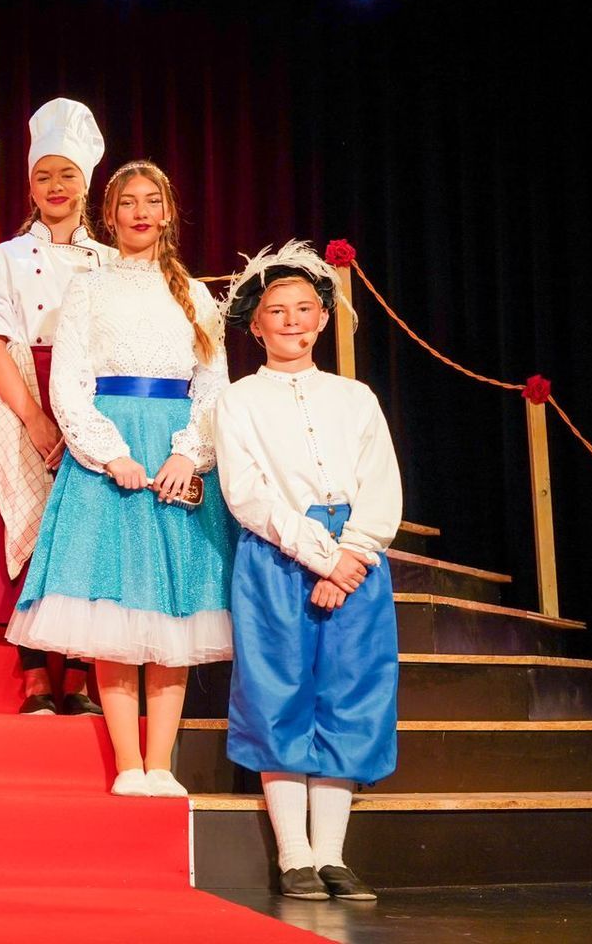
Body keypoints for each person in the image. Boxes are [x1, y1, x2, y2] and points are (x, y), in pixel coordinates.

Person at [8, 160, 236, 797]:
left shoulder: (196, 295)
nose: (140, 212)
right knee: (111, 611)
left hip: (173, 456)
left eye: (151, 200)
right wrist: (111, 454)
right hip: (110, 459)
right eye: (128, 202)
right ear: (108, 216)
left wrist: (189, 454)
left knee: (172, 616)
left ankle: (160, 764)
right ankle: (128, 765)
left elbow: (213, 387)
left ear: (167, 212)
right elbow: (68, 384)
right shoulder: (89, 288)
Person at [215, 240, 401, 902]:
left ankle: (332, 855)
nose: (291, 320)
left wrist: (352, 555)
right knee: (280, 696)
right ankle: (294, 854)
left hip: (355, 556)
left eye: (303, 308)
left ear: (323, 318)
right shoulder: (238, 401)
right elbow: (246, 493)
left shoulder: (355, 398)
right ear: (255, 325)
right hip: (278, 556)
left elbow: (381, 483)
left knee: (349, 696)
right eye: (276, 310)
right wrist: (321, 557)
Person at [0, 97, 112, 714]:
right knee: (28, 527)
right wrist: (32, 416)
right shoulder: (2, 259)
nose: (56, 186)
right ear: (29, 185)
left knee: (89, 532)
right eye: (44, 176)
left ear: (86, 183)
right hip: (24, 389)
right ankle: (32, 674)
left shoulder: (111, 263)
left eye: (67, 175)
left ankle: (78, 671)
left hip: (96, 397)